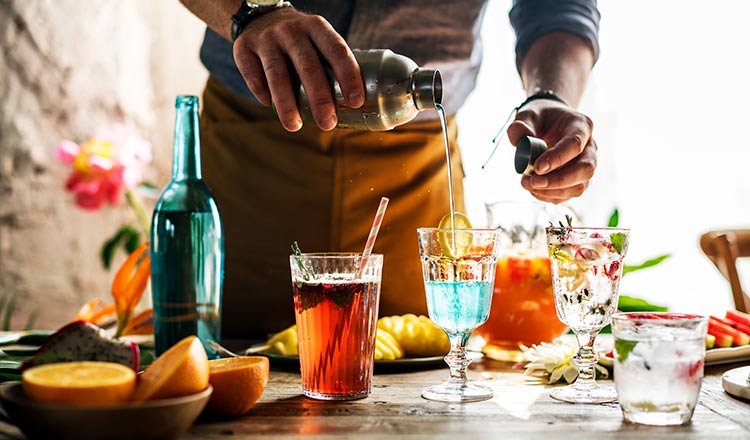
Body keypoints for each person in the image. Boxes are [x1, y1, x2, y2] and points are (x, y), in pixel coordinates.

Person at [179, 0, 600, 339]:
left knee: (423, 354)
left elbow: (556, 7)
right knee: (224, 351)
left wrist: (552, 93)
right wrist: (250, 10)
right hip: (254, 142)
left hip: (415, 162)